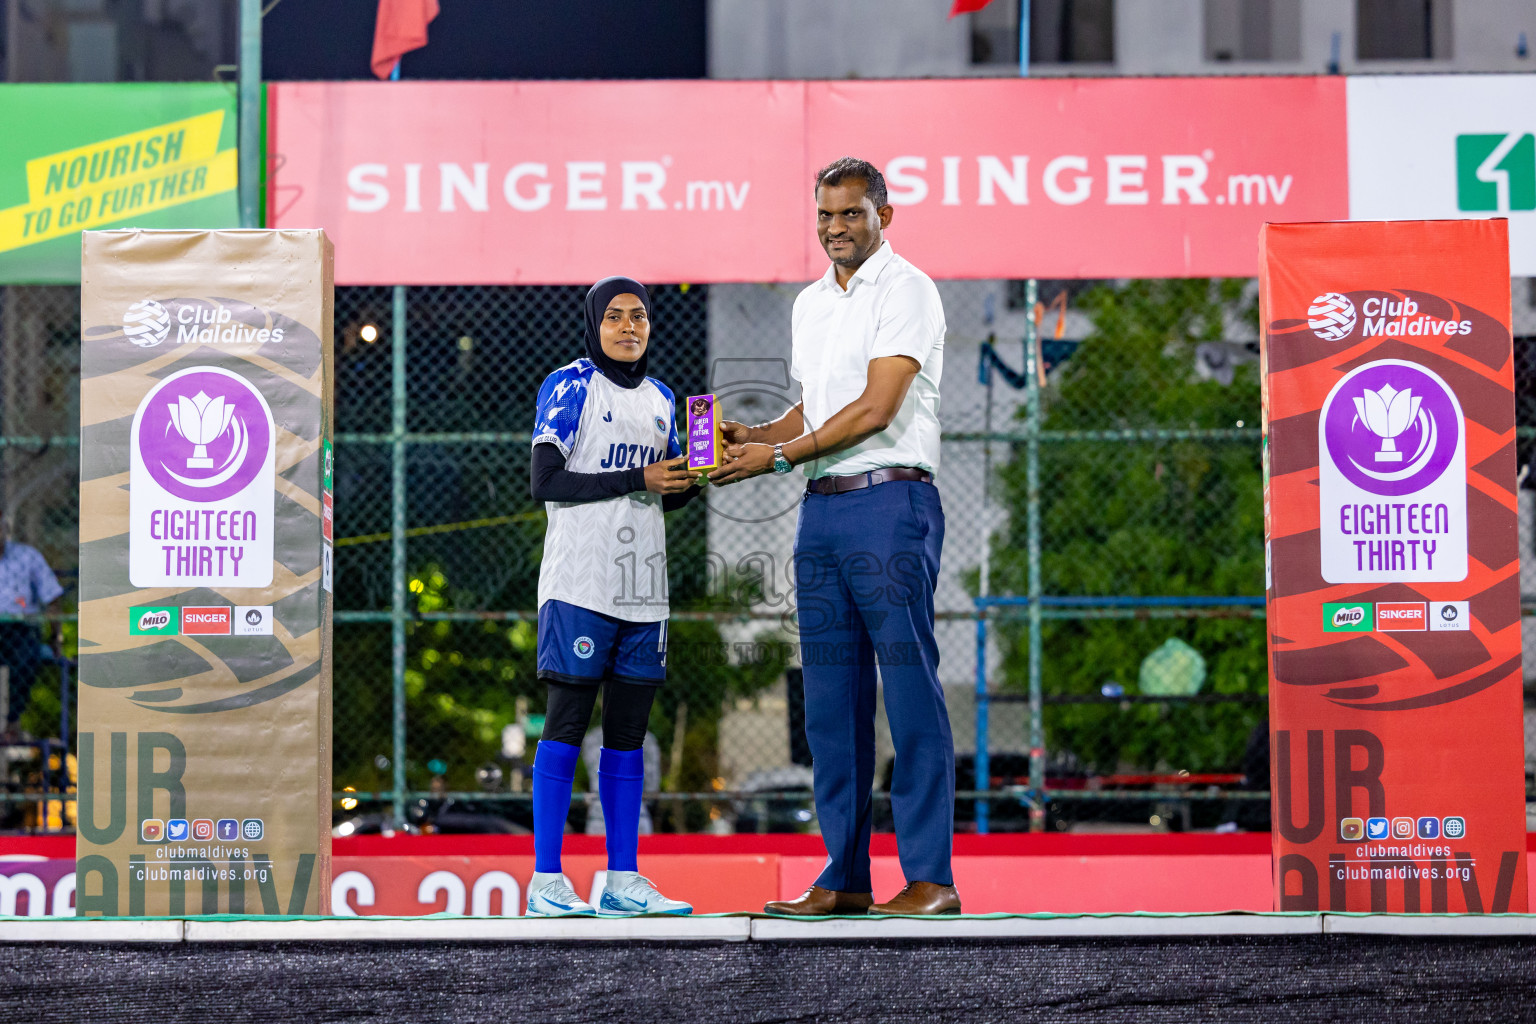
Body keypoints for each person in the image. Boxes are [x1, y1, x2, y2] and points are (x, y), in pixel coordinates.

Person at [711, 157, 957, 915]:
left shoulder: (908, 288)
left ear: (884, 214)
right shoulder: (812, 303)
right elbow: (815, 410)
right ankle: (845, 875)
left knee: (908, 688)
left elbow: (876, 408)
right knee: (829, 700)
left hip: (890, 503)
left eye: (851, 213)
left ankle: (930, 879)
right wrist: (751, 435)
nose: (836, 228)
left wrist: (777, 455)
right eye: (825, 215)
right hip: (822, 510)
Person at [524, 276, 699, 917]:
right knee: (567, 724)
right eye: (616, 317)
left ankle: (622, 880)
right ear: (595, 325)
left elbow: (668, 491)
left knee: (627, 737)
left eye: (640, 317)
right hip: (580, 581)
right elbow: (544, 481)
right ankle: (546, 880)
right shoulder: (570, 384)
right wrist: (640, 475)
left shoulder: (661, 399)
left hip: (643, 589)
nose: (630, 327)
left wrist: (698, 473)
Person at [0, 511, 64, 736]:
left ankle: (12, 722)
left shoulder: (28, 557)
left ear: (5, 528)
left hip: (21, 629)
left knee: (26, 654)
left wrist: (56, 638)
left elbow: (52, 598)